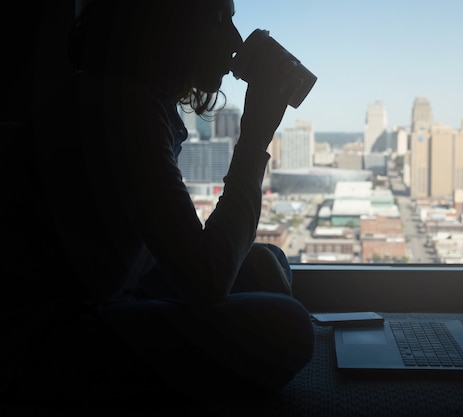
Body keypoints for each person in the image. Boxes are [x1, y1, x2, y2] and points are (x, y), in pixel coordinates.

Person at [2, 0, 314, 405]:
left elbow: (153, 256)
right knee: (290, 328)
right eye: (220, 19)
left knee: (267, 259)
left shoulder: (119, 98)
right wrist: (254, 138)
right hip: (46, 344)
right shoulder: (124, 111)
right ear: (172, 26)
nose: (236, 39)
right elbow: (206, 278)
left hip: (103, 293)